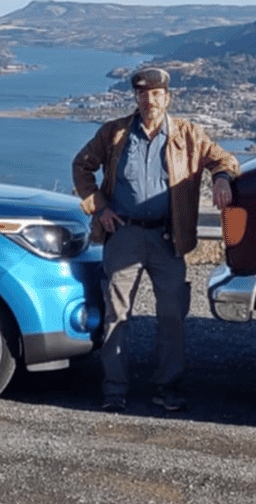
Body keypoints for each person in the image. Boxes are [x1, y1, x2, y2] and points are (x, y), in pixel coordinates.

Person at [71, 66, 239, 413]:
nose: (150, 100)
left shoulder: (188, 135)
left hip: (168, 237)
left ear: (167, 97)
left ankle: (168, 387)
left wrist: (221, 177)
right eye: (143, 94)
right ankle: (114, 389)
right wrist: (99, 208)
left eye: (156, 94)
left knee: (172, 315)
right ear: (135, 97)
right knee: (117, 314)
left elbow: (224, 159)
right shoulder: (115, 134)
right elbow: (81, 167)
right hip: (124, 234)